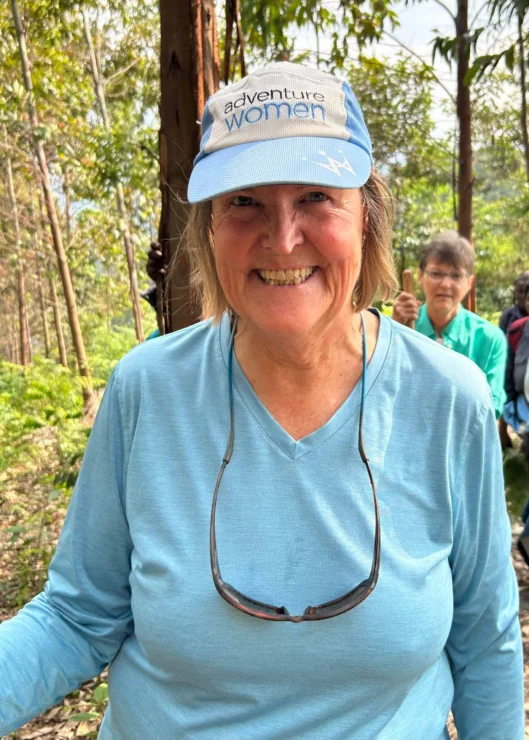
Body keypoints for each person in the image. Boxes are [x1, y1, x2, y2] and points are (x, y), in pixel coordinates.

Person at [0, 63, 523, 740]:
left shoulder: (445, 397)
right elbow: (76, 616)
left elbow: (484, 640)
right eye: (244, 201)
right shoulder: (146, 390)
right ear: (209, 229)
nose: (281, 238)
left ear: (364, 217)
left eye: (314, 196)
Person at [392, 232, 508, 418]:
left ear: (469, 283)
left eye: (456, 276)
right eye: (436, 273)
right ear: (420, 277)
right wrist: (394, 334)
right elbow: (384, 388)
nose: (445, 284)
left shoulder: (490, 339)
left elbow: (492, 406)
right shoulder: (401, 329)